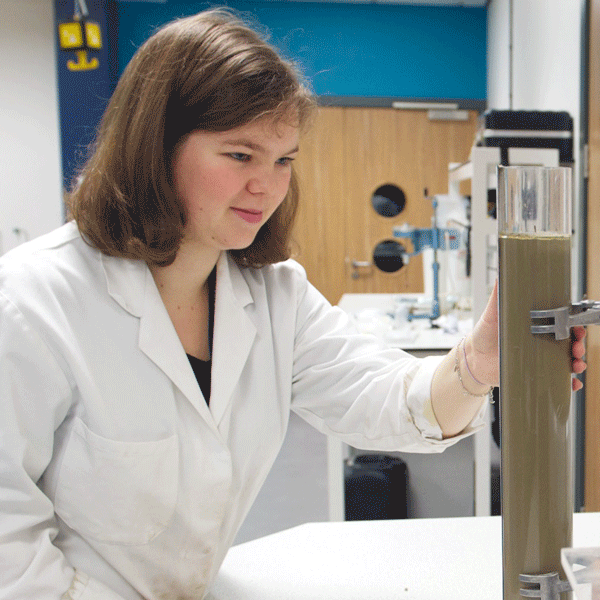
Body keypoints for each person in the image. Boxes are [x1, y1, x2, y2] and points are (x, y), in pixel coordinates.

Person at [0, 8, 586, 600]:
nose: (268, 186)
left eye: (284, 160)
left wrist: (476, 366)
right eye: (240, 156)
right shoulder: (31, 302)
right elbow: (7, 546)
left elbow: (382, 399)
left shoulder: (272, 293)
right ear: (154, 148)